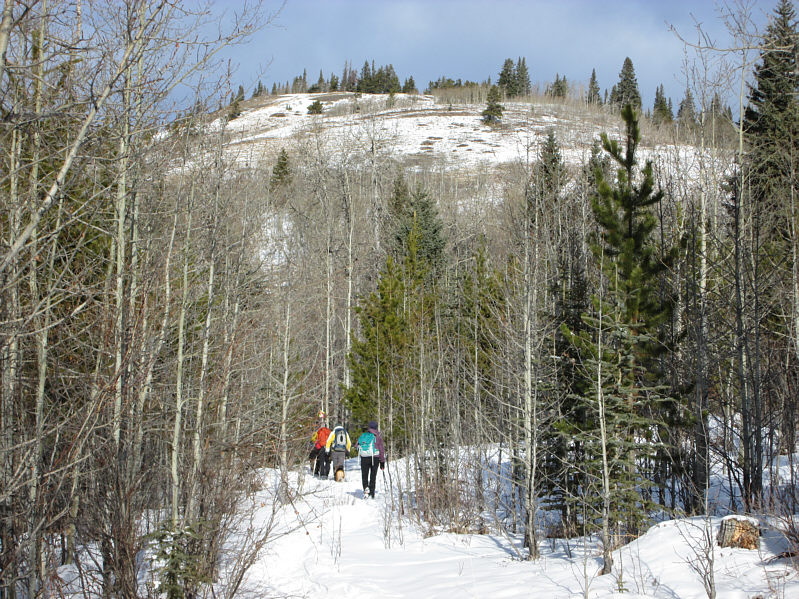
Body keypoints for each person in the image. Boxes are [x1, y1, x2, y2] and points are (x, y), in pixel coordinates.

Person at [357, 420, 385, 498]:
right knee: (373, 476)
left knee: (364, 475)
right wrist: (382, 462)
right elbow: (381, 450)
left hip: (364, 457)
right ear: (376, 427)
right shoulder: (378, 437)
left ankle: (366, 488)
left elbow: (357, 445)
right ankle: (372, 493)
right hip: (375, 458)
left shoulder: (363, 435)